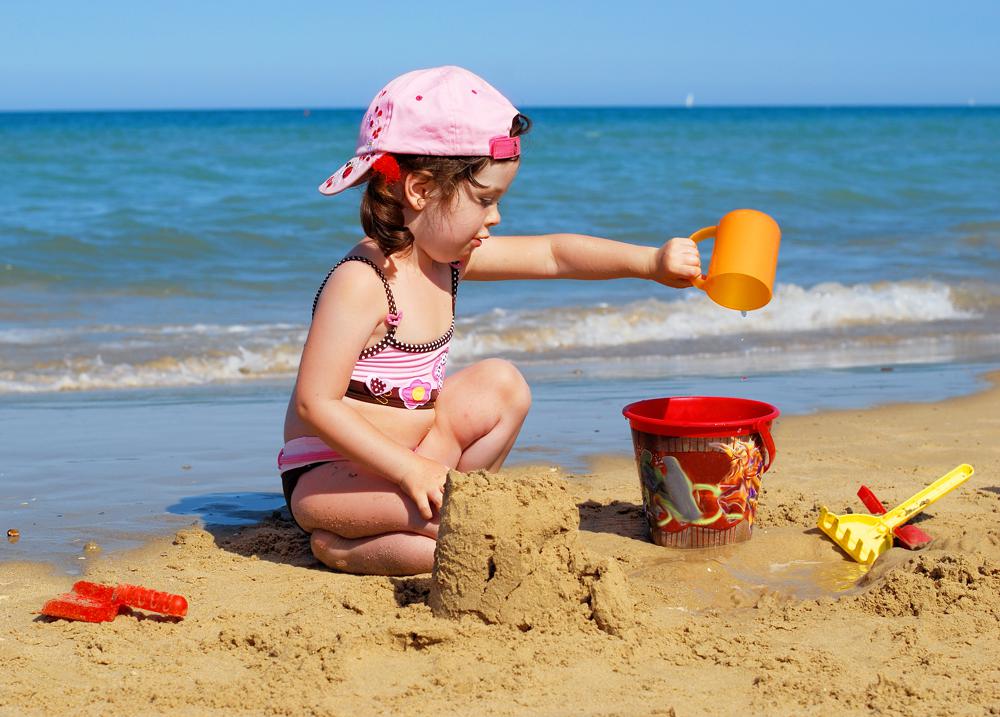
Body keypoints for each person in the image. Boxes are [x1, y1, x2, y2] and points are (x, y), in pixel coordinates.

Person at [279, 65, 702, 576]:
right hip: (334, 473)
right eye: (484, 200)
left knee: (502, 386)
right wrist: (408, 469)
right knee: (457, 543)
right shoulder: (365, 281)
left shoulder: (448, 261)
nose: (495, 218)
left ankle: (450, 503)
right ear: (418, 189)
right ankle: (342, 546)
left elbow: (554, 255)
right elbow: (314, 402)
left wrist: (650, 263)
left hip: (417, 449)